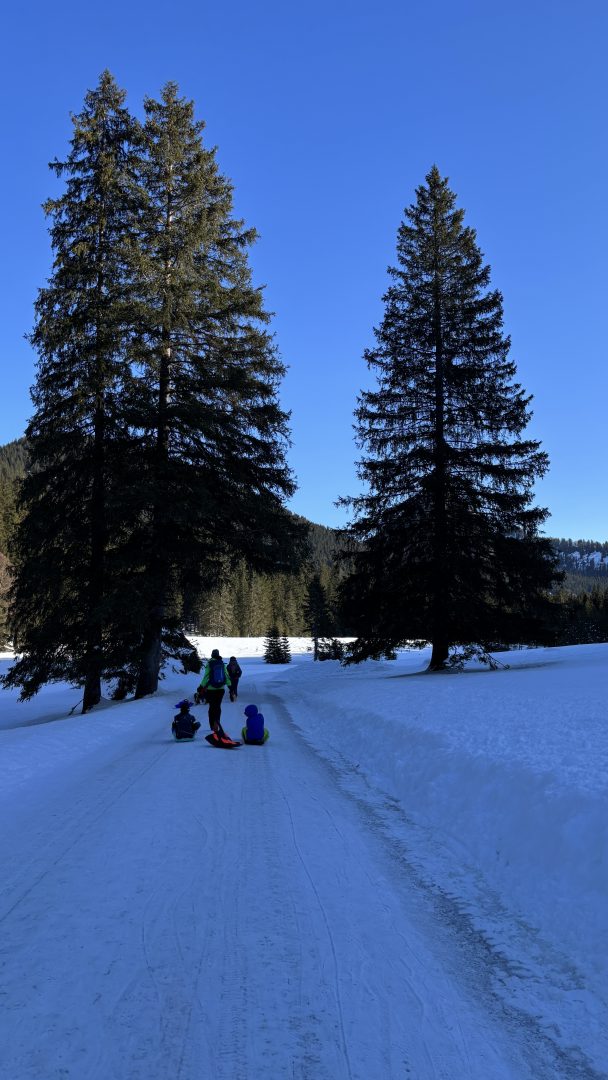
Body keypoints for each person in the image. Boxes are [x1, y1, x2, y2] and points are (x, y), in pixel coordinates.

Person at [197, 648, 231, 734]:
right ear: (218, 654)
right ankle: (217, 723)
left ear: (212, 655)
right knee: (218, 706)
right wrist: (230, 685)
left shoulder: (210, 663)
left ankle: (212, 725)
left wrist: (201, 686)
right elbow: (226, 675)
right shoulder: (221, 663)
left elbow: (206, 676)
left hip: (211, 689)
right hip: (221, 689)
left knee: (212, 707)